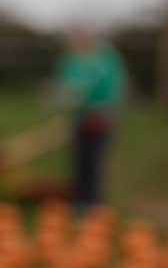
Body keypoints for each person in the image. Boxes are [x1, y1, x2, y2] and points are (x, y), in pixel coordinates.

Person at [54, 26, 127, 212]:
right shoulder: (71, 60)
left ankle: (94, 203)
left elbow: (112, 88)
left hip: (99, 117)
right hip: (79, 116)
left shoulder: (105, 60)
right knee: (79, 160)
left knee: (93, 160)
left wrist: (101, 110)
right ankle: (79, 201)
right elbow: (67, 87)